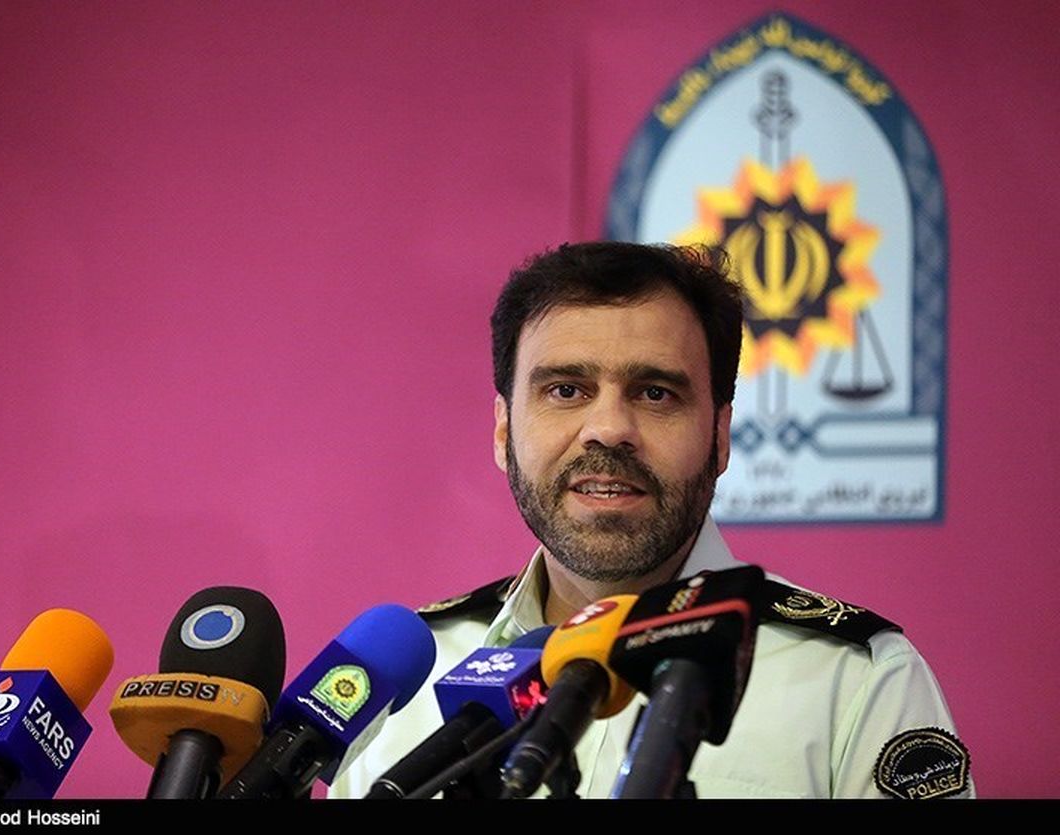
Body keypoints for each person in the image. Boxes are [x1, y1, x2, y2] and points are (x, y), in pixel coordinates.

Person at [330, 242, 972, 799]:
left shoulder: (855, 680)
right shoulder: (401, 688)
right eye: (566, 390)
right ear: (504, 430)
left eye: (655, 393)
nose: (609, 428)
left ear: (720, 435)